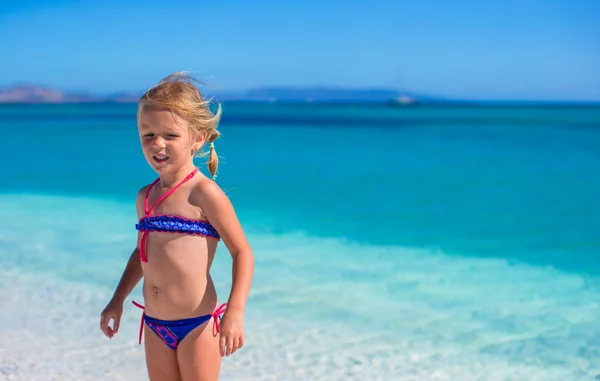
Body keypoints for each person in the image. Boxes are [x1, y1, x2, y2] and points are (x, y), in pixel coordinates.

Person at [99, 72, 254, 381]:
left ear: (197, 138)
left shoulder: (204, 193)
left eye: (170, 135)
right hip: (155, 323)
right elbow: (141, 254)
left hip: (197, 324)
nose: (158, 143)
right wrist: (116, 300)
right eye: (148, 135)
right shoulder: (145, 196)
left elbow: (242, 253)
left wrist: (235, 312)